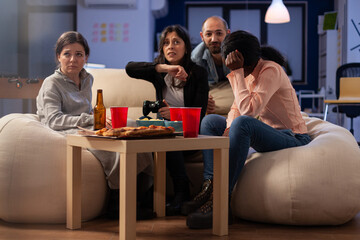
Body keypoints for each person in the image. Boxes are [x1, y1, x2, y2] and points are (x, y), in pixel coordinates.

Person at [186, 30, 312, 229]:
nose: (231, 68)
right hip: (271, 133)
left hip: (293, 137)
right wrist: (228, 130)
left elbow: (248, 112)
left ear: (242, 61)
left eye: (233, 65)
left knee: (243, 123)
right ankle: (210, 186)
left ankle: (220, 203)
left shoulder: (271, 70)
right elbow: (236, 108)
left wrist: (236, 73)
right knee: (210, 121)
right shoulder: (248, 72)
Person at [36, 31, 154, 220]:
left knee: (131, 127)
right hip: (64, 130)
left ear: (86, 57)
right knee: (113, 145)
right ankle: (117, 203)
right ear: (58, 56)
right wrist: (91, 119)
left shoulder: (87, 79)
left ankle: (142, 196)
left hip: (85, 125)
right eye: (67, 54)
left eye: (79, 54)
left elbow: (87, 110)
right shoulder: (51, 84)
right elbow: (54, 120)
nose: (73, 59)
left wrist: (100, 119)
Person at [126, 25, 209, 216]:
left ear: (186, 47)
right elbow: (130, 68)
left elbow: (200, 113)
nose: (170, 46)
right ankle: (142, 196)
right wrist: (164, 67)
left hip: (189, 133)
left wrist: (175, 115)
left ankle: (182, 190)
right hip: (162, 132)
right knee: (152, 133)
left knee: (167, 136)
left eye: (176, 42)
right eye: (166, 43)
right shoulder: (159, 72)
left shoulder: (198, 73)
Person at [191, 16, 231, 114]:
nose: (214, 39)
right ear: (202, 36)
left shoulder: (238, 52)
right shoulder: (196, 58)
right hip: (214, 95)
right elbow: (195, 88)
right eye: (208, 34)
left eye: (219, 33)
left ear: (228, 34)